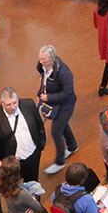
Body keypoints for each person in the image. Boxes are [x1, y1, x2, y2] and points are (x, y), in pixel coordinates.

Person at [0, 87, 46, 184]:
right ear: (2, 103)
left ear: (18, 99)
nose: (13, 107)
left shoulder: (29, 104)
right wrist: (1, 162)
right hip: (12, 162)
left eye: (15, 102)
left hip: (32, 154)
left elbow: (39, 125)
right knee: (13, 185)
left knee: (33, 182)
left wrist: (41, 145)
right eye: (8, 104)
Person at [37, 45, 78, 174]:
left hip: (66, 104)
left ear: (52, 58)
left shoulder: (64, 73)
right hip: (55, 101)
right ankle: (72, 146)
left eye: (44, 59)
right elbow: (43, 81)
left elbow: (67, 92)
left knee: (56, 131)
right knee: (63, 125)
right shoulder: (43, 66)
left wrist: (48, 97)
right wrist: (40, 95)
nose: (41, 62)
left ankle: (60, 162)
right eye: (40, 59)